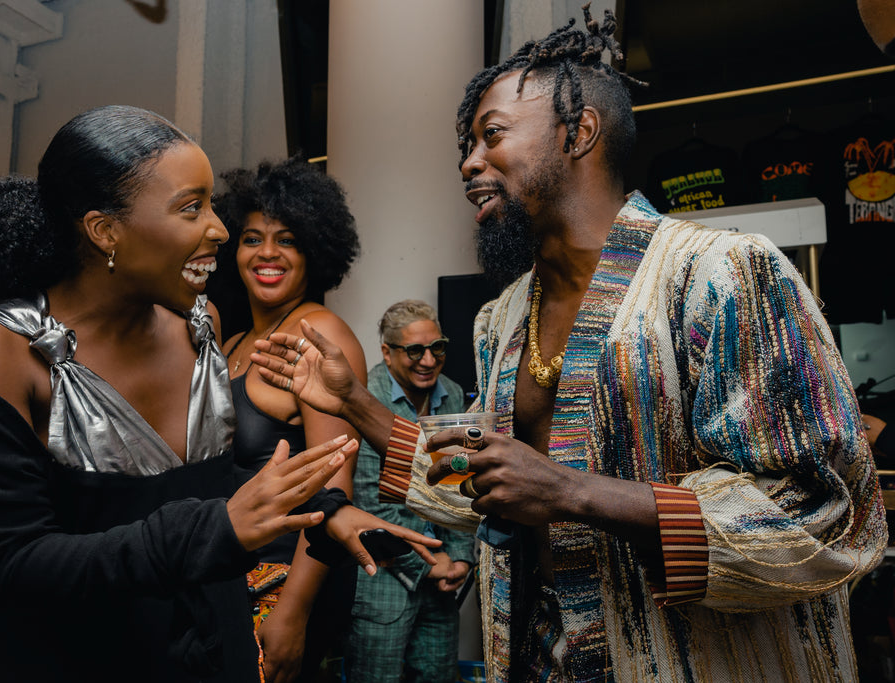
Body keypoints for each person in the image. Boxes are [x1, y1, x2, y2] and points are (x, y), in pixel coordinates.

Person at [248, 6, 888, 682]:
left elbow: (827, 515)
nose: (469, 164)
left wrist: (576, 492)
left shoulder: (719, 274)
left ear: (579, 132)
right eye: (465, 146)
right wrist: (355, 403)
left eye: (491, 135)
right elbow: (492, 486)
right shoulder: (503, 319)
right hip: (540, 655)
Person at [0, 105, 440, 683]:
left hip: (211, 655)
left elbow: (207, 488)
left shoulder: (199, 324)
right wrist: (217, 530)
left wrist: (327, 513)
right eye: (190, 208)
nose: (220, 231)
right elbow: (15, 564)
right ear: (105, 230)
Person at [214, 157, 367, 682]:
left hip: (284, 584)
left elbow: (335, 489)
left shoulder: (320, 333)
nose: (268, 254)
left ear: (315, 251)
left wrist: (293, 614)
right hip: (228, 577)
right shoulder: (231, 343)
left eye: (287, 239)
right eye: (252, 238)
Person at [345, 300, 476, 683]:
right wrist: (431, 563)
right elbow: (370, 501)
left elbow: (461, 489)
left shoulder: (452, 394)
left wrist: (462, 559)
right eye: (414, 350)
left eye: (437, 348)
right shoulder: (365, 395)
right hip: (382, 580)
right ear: (386, 352)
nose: (428, 360)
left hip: (445, 573)